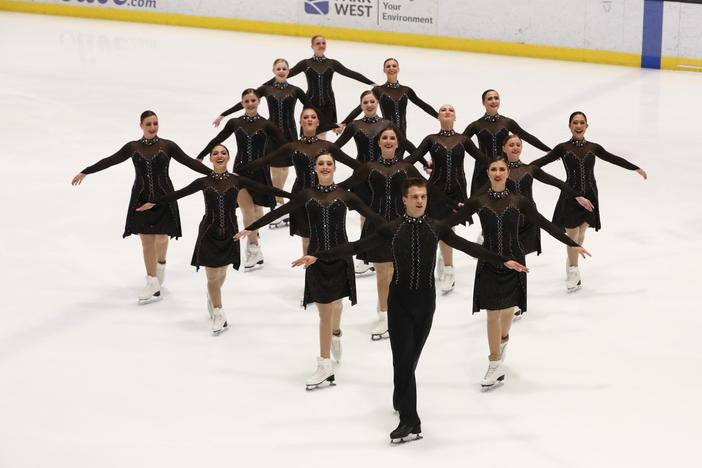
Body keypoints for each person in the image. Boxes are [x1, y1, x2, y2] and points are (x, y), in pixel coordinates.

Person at [293, 178, 527, 443]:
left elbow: (471, 247)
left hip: (426, 302)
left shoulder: (436, 228)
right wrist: (319, 255)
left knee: (408, 358)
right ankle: (410, 421)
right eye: (414, 196)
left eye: (423, 197)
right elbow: (357, 247)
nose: (419, 201)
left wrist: (504, 260)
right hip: (400, 301)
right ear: (404, 200)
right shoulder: (392, 228)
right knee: (403, 359)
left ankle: (399, 395)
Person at [235, 153, 385, 389]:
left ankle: (336, 332)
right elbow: (276, 213)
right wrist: (251, 227)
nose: (325, 167)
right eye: (321, 164)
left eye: (329, 163)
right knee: (324, 311)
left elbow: (375, 217)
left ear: (335, 167)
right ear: (314, 168)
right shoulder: (307, 195)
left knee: (336, 305)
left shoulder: (346, 196)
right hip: (314, 258)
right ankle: (325, 365)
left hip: (341, 256)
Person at [447, 158, 590, 390]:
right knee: (492, 313)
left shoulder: (519, 201)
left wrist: (570, 243)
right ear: (487, 172)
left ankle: (503, 341)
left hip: (516, 262)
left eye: (501, 169)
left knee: (507, 312)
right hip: (489, 262)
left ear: (507, 174)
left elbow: (544, 224)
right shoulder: (479, 201)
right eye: (493, 169)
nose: (497, 173)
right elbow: (449, 224)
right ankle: (494, 363)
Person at [136, 145, 291, 334]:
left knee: (221, 273)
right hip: (209, 232)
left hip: (230, 233)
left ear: (228, 157)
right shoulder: (203, 182)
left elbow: (264, 188)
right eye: (215, 153)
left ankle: (213, 296)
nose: (219, 156)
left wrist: (293, 197)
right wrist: (154, 202)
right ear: (210, 159)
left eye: (223, 153)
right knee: (211, 276)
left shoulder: (237, 180)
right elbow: (178, 194)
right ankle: (219, 312)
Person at [71, 110, 211, 303]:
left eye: (155, 123)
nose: (153, 127)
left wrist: (215, 174)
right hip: (140, 197)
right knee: (146, 242)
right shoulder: (133, 147)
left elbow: (189, 162)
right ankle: (152, 280)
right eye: (149, 124)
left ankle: (160, 265)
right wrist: (86, 171)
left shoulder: (168, 146)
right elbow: (110, 160)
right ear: (141, 126)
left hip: (164, 197)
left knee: (162, 237)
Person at [338, 127, 446, 341]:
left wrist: (453, 204)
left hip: (402, 226)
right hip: (377, 226)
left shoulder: (406, 167)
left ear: (398, 144)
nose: (388, 141)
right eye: (384, 138)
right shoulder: (368, 167)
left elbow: (427, 189)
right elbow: (346, 187)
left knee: (402, 272)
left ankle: (402, 311)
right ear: (378, 143)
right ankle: (384, 315)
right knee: (382, 273)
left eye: (392, 138)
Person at [531, 112, 647, 291]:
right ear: (569, 126)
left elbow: (613, 158)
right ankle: (573, 271)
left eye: (582, 122)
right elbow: (540, 163)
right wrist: (519, 170)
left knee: (581, 233)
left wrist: (635, 168)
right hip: (570, 195)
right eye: (575, 122)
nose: (578, 125)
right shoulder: (562, 148)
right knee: (573, 235)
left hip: (591, 195)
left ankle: (571, 260)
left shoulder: (594, 147)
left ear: (586, 126)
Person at [213, 59, 338, 216]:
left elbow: (311, 107)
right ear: (273, 70)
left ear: (288, 70)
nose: (281, 71)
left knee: (284, 168)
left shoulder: (295, 90)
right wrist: (224, 114)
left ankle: (279, 197)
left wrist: (332, 124)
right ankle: (278, 200)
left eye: (284, 68)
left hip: (289, 132)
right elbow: (247, 101)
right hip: (270, 133)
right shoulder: (266, 89)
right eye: (278, 68)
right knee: (273, 166)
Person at [236, 108, 360, 255]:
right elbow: (265, 160)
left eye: (313, 117)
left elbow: (356, 166)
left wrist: (340, 187)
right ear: (300, 122)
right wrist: (239, 171)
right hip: (301, 196)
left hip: (327, 197)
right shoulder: (292, 146)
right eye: (305, 117)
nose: (309, 119)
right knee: (307, 240)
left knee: (329, 238)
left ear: (318, 122)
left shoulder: (328, 147)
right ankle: (310, 274)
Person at [199, 88, 289, 270]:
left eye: (253, 100)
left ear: (258, 102)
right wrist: (201, 155)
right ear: (242, 103)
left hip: (260, 173)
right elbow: (219, 139)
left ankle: (253, 241)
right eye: (246, 101)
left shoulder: (267, 124)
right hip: (239, 173)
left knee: (256, 211)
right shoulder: (235, 122)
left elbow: (286, 146)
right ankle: (254, 249)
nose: (250, 104)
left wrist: (272, 159)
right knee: (247, 211)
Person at [333, 90, 416, 275]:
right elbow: (336, 147)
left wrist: (424, 162)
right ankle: (368, 251)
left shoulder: (387, 124)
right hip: (362, 175)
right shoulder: (354, 125)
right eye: (365, 102)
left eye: (372, 101)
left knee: (386, 208)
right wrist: (353, 164)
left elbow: (405, 143)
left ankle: (390, 248)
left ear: (377, 103)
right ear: (361, 105)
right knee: (366, 214)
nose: (369, 104)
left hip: (385, 174)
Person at [409, 103, 490, 293]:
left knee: (447, 230)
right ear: (438, 117)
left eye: (451, 110)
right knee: (432, 229)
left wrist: (504, 165)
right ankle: (441, 260)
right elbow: (414, 157)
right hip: (435, 190)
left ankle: (448, 269)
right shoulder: (431, 139)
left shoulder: (463, 140)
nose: (447, 112)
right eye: (443, 110)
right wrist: (394, 168)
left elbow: (483, 159)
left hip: (456, 191)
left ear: (455, 117)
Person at [280, 35, 374, 137]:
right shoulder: (305, 64)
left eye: (323, 43)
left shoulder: (332, 63)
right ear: (312, 46)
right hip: (311, 103)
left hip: (328, 104)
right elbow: (283, 75)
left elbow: (351, 73)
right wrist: (265, 85)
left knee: (322, 136)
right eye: (318, 43)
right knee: (308, 135)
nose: (321, 45)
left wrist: (372, 83)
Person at [463, 89, 551, 196]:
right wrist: (480, 157)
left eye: (496, 98)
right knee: (480, 202)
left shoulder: (507, 122)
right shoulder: (476, 125)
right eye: (489, 98)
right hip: (483, 169)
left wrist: (547, 149)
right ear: (483, 102)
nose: (493, 101)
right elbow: (461, 142)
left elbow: (526, 136)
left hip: (504, 169)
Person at [341, 58, 438, 134]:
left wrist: (438, 116)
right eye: (388, 66)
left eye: (394, 66)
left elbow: (422, 105)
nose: (391, 68)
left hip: (402, 133)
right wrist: (344, 123)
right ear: (384, 70)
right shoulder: (378, 90)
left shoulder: (406, 90)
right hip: (384, 133)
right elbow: (361, 107)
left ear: (398, 69)